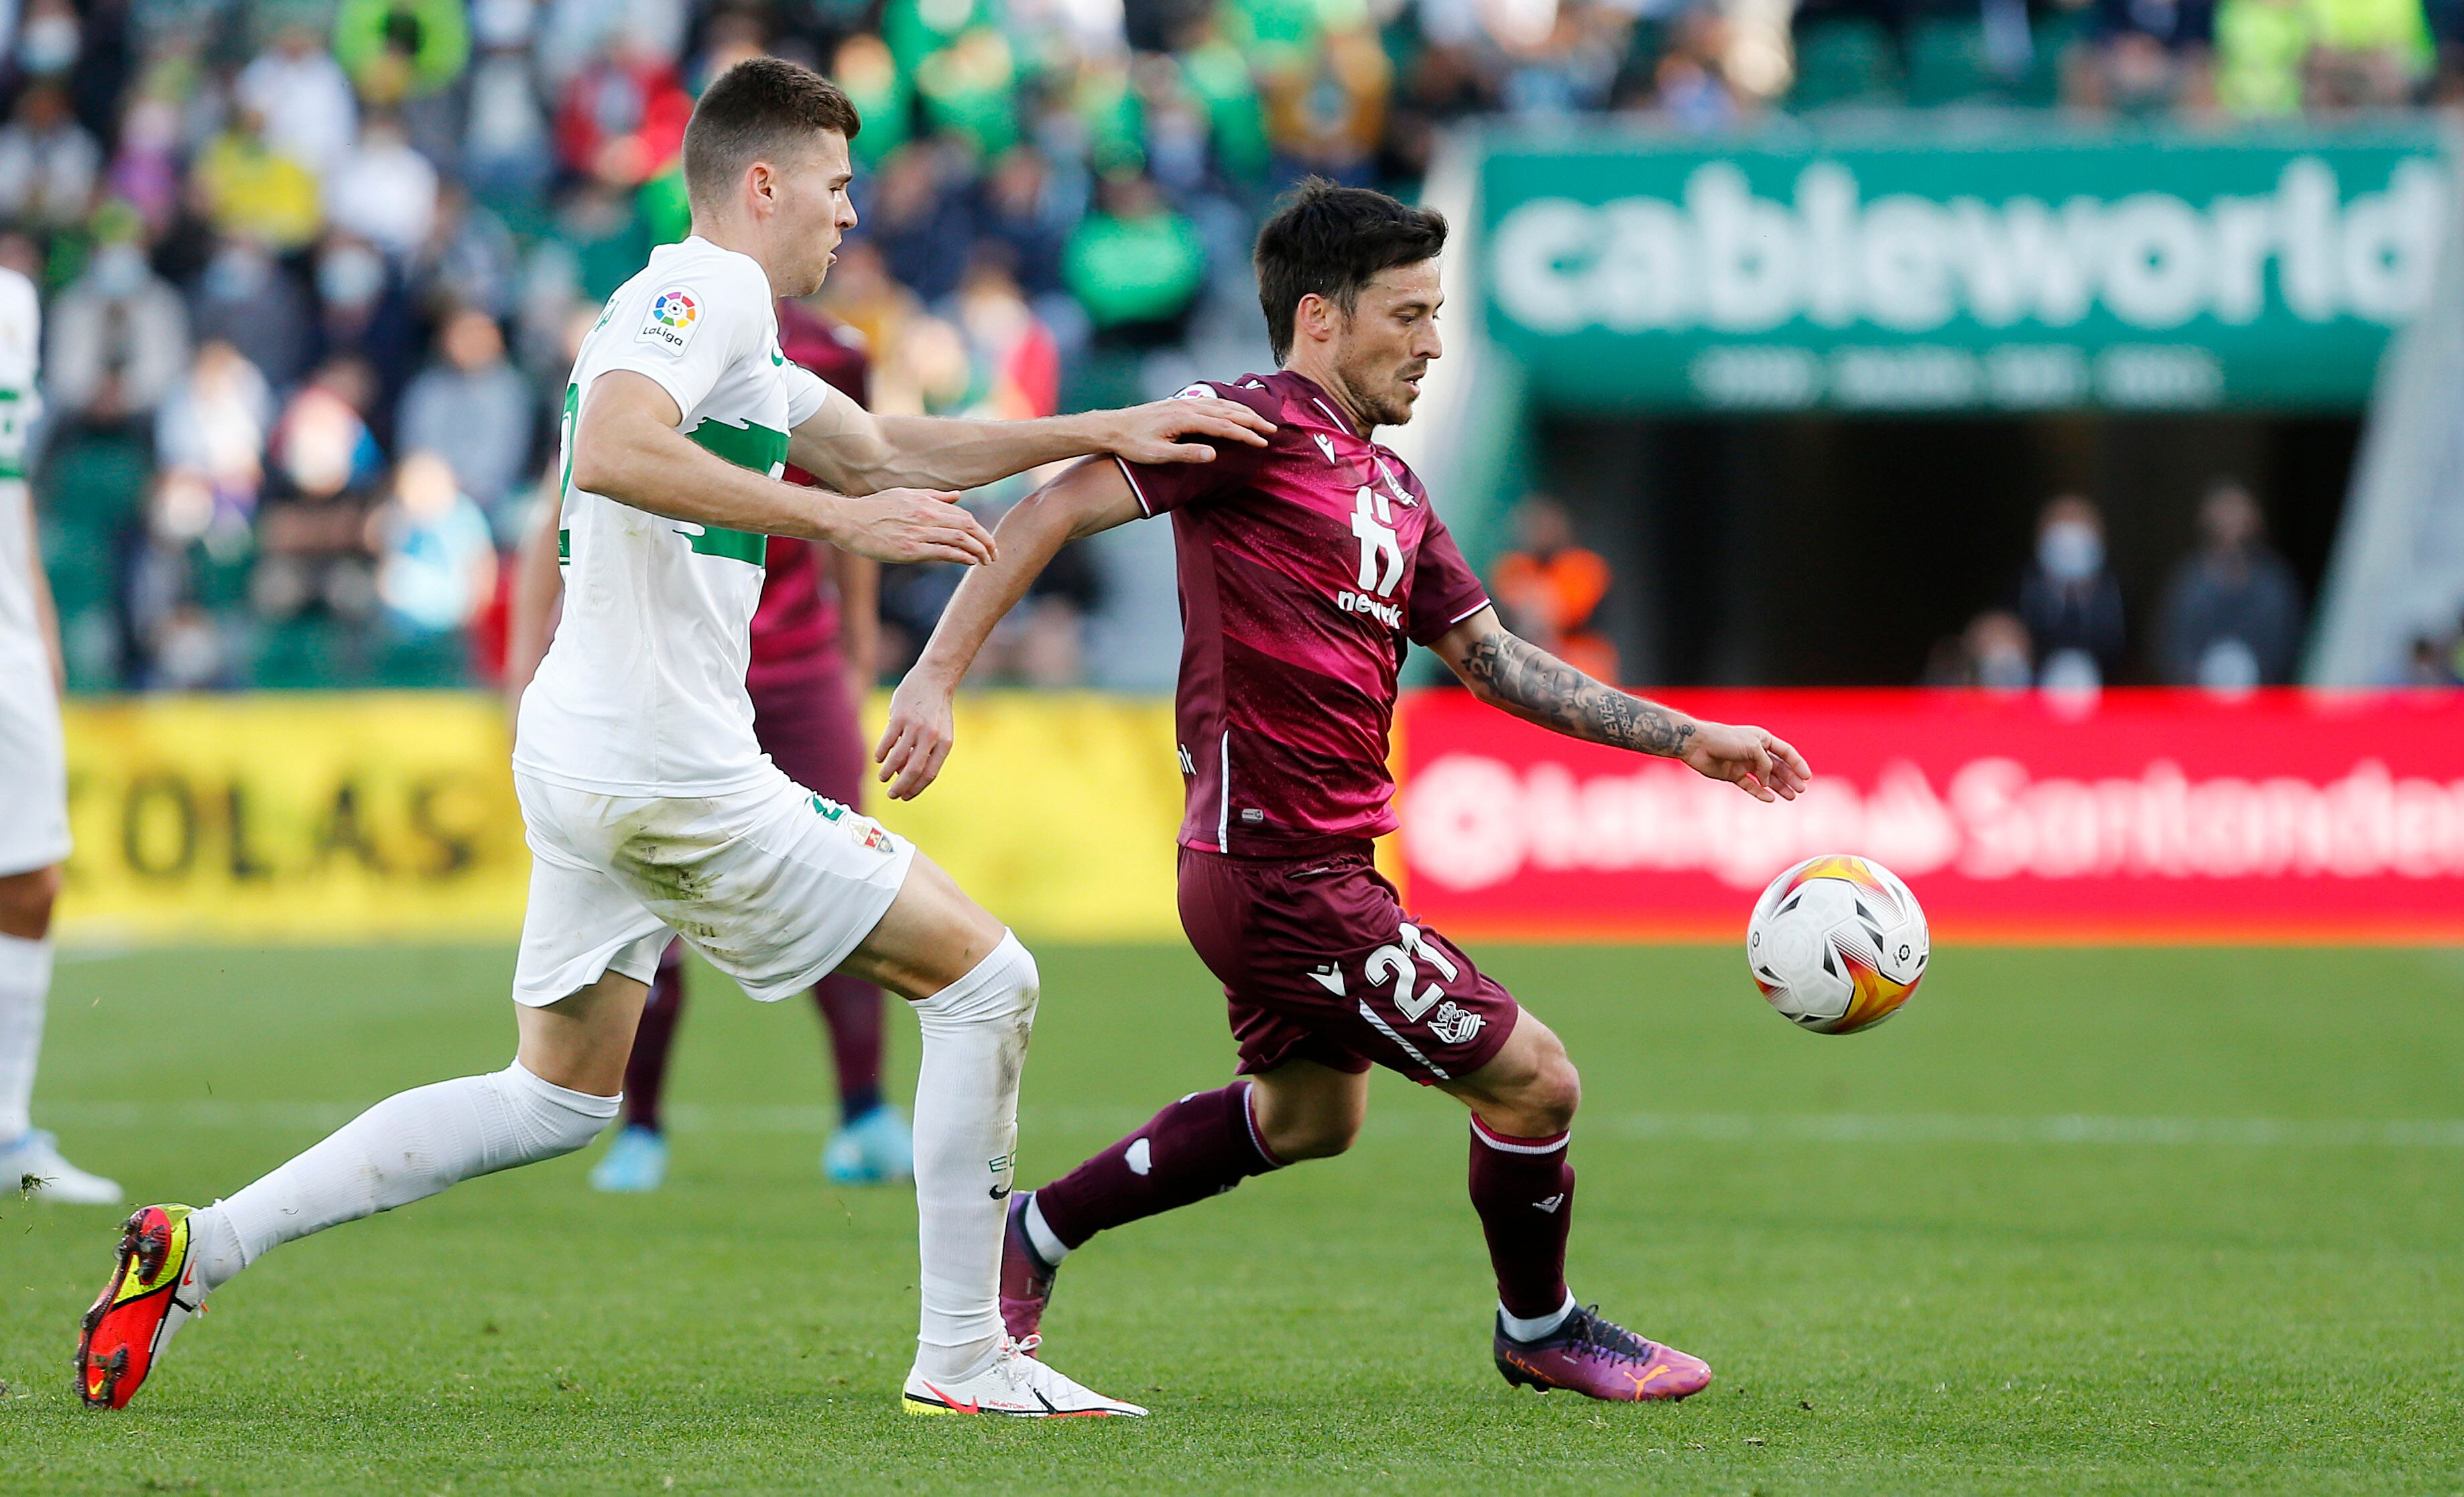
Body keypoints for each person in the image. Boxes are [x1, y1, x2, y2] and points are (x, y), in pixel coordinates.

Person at [76, 57, 1277, 1420]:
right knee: (987, 979)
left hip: (593, 754)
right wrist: (837, 526)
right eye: (835, 186)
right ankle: (963, 1357)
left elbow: (888, 450)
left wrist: (1109, 426)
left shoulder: (732, 328)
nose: (852, 212)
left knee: (557, 1098)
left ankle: (204, 1245)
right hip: (663, 766)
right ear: (759, 184)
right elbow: (615, 451)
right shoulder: (702, 292)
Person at [875, 180, 1810, 1403]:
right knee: (1536, 1078)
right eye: (1409, 314)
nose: (1431, 343)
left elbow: (1489, 661)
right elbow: (1053, 504)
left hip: (1316, 865)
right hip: (1276, 872)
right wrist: (934, 677)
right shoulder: (1239, 426)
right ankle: (1540, 1322)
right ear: (1320, 316)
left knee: (1312, 1115)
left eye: (1437, 315)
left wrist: (1689, 737)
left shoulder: (1395, 488)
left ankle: (1036, 1230)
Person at [503, 298, 917, 1193]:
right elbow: (561, 510)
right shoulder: (644, 332)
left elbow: (854, 494)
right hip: (669, 678)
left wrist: (853, 656)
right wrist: (521, 671)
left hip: (796, 669)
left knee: (845, 878)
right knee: (649, 910)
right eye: (831, 193)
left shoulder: (835, 349)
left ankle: (865, 1112)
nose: (840, 219)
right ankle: (640, 1126)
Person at [0, 263, 122, 1206]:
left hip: (5, 635)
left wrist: (37, 626)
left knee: (31, 877)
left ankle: (7, 1131)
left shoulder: (15, 303)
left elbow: (14, 484)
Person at [2155, 480, 2304, 690]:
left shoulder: (2274, 583)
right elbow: (2171, 645)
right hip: (2197, 702)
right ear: (2206, 519)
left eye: (2238, 513)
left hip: (2263, 702)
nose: (2231, 522)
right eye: (2224, 513)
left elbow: (2287, 645)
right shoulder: (2189, 582)